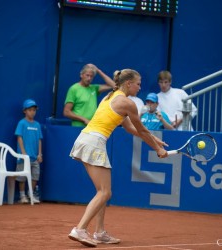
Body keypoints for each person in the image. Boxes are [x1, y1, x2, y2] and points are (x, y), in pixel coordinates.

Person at [68, 69, 168, 247]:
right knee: (105, 192)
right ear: (128, 83)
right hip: (94, 142)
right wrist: (157, 149)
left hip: (84, 139)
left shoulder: (110, 97)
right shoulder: (127, 103)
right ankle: (80, 229)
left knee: (103, 191)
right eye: (138, 83)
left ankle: (99, 232)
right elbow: (142, 130)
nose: (140, 87)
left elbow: (130, 129)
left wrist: (154, 139)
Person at [15, 99, 43, 204]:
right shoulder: (21, 123)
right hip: (23, 157)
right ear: (24, 111)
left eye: (34, 110)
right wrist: (23, 153)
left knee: (35, 176)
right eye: (30, 110)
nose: (32, 112)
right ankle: (22, 196)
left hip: (35, 157)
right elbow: (19, 138)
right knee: (21, 177)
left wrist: (40, 154)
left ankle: (30, 194)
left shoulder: (37, 125)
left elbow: (40, 140)